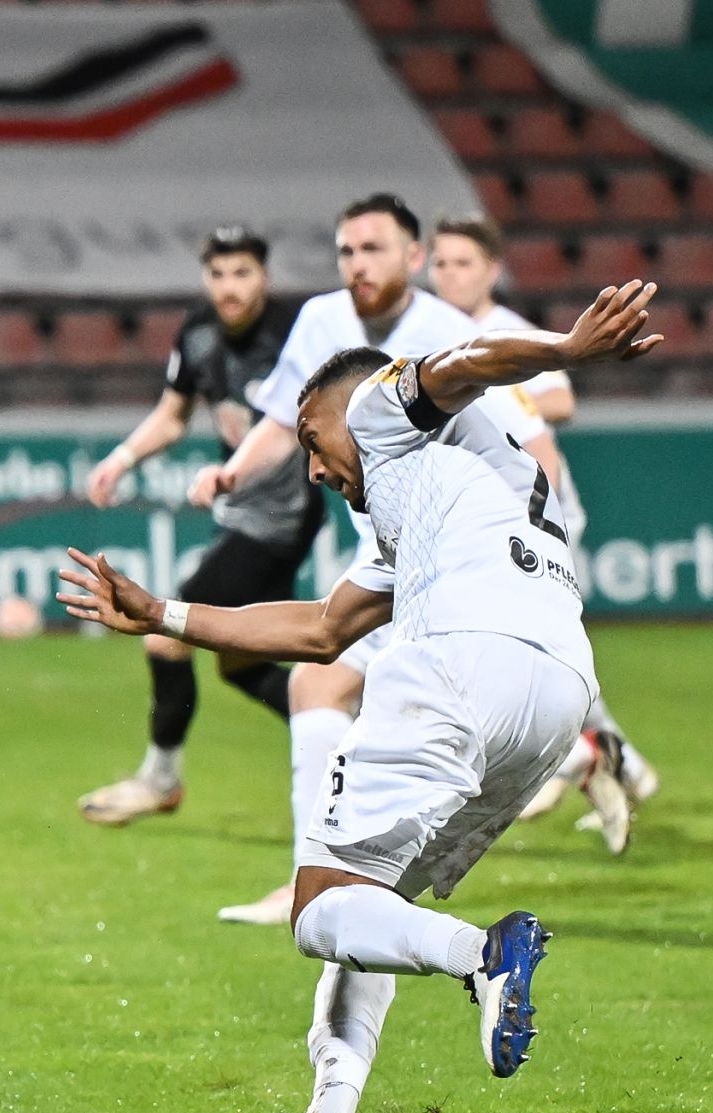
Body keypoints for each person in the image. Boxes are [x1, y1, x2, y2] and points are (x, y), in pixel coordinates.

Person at [60, 280, 664, 1113]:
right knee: (368, 904)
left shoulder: (381, 408)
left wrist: (565, 351)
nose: (312, 468)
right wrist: (164, 615)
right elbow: (320, 629)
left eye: (312, 440)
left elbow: (465, 361)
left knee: (316, 909)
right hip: (559, 691)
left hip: (458, 661)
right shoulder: (444, 489)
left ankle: (481, 954)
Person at [194, 194, 632, 925]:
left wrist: (541, 537)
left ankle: (326, 885)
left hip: (460, 565)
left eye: (373, 249)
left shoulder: (449, 332)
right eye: (346, 251)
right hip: (397, 555)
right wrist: (234, 471)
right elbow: (282, 420)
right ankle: (329, 883)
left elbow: (527, 432)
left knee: (343, 694)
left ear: (412, 257)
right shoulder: (321, 320)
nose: (357, 265)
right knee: (323, 684)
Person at [429, 214, 657, 845]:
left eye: (463, 263)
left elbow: (560, 402)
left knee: (526, 647)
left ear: (492, 270)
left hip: (532, 511)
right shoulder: (432, 331)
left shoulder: (504, 332)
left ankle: (579, 758)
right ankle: (614, 761)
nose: (450, 275)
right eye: (441, 262)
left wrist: (501, 382)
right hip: (479, 514)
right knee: (542, 648)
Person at [77, 227, 315, 826]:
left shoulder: (295, 337)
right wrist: (123, 458)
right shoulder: (199, 333)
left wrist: (234, 473)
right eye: (218, 274)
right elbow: (173, 414)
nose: (229, 287)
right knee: (242, 664)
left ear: (265, 277)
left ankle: (161, 778)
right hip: (239, 516)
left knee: (165, 635)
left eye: (242, 273)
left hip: (280, 519)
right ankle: (352, 732)